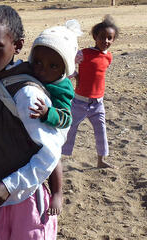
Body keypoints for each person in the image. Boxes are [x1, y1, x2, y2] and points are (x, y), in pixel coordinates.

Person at [0, 5, 67, 240]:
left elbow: (50, 152)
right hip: (0, 198)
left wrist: (10, 185)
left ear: (18, 45)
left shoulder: (28, 94)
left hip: (29, 200)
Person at [0, 19, 82, 215]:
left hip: (53, 128)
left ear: (63, 70)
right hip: (34, 130)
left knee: (53, 158)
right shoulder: (33, 72)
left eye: (52, 66)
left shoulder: (62, 87)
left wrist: (48, 113)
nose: (42, 69)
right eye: (38, 62)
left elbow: (66, 117)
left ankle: (57, 193)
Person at [62, 15, 119, 168]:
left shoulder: (109, 57)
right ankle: (60, 157)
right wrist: (76, 75)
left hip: (98, 103)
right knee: (69, 129)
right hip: (79, 101)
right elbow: (69, 66)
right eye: (102, 37)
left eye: (109, 38)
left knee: (101, 131)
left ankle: (101, 161)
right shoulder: (84, 53)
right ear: (95, 37)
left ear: (113, 40)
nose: (105, 41)